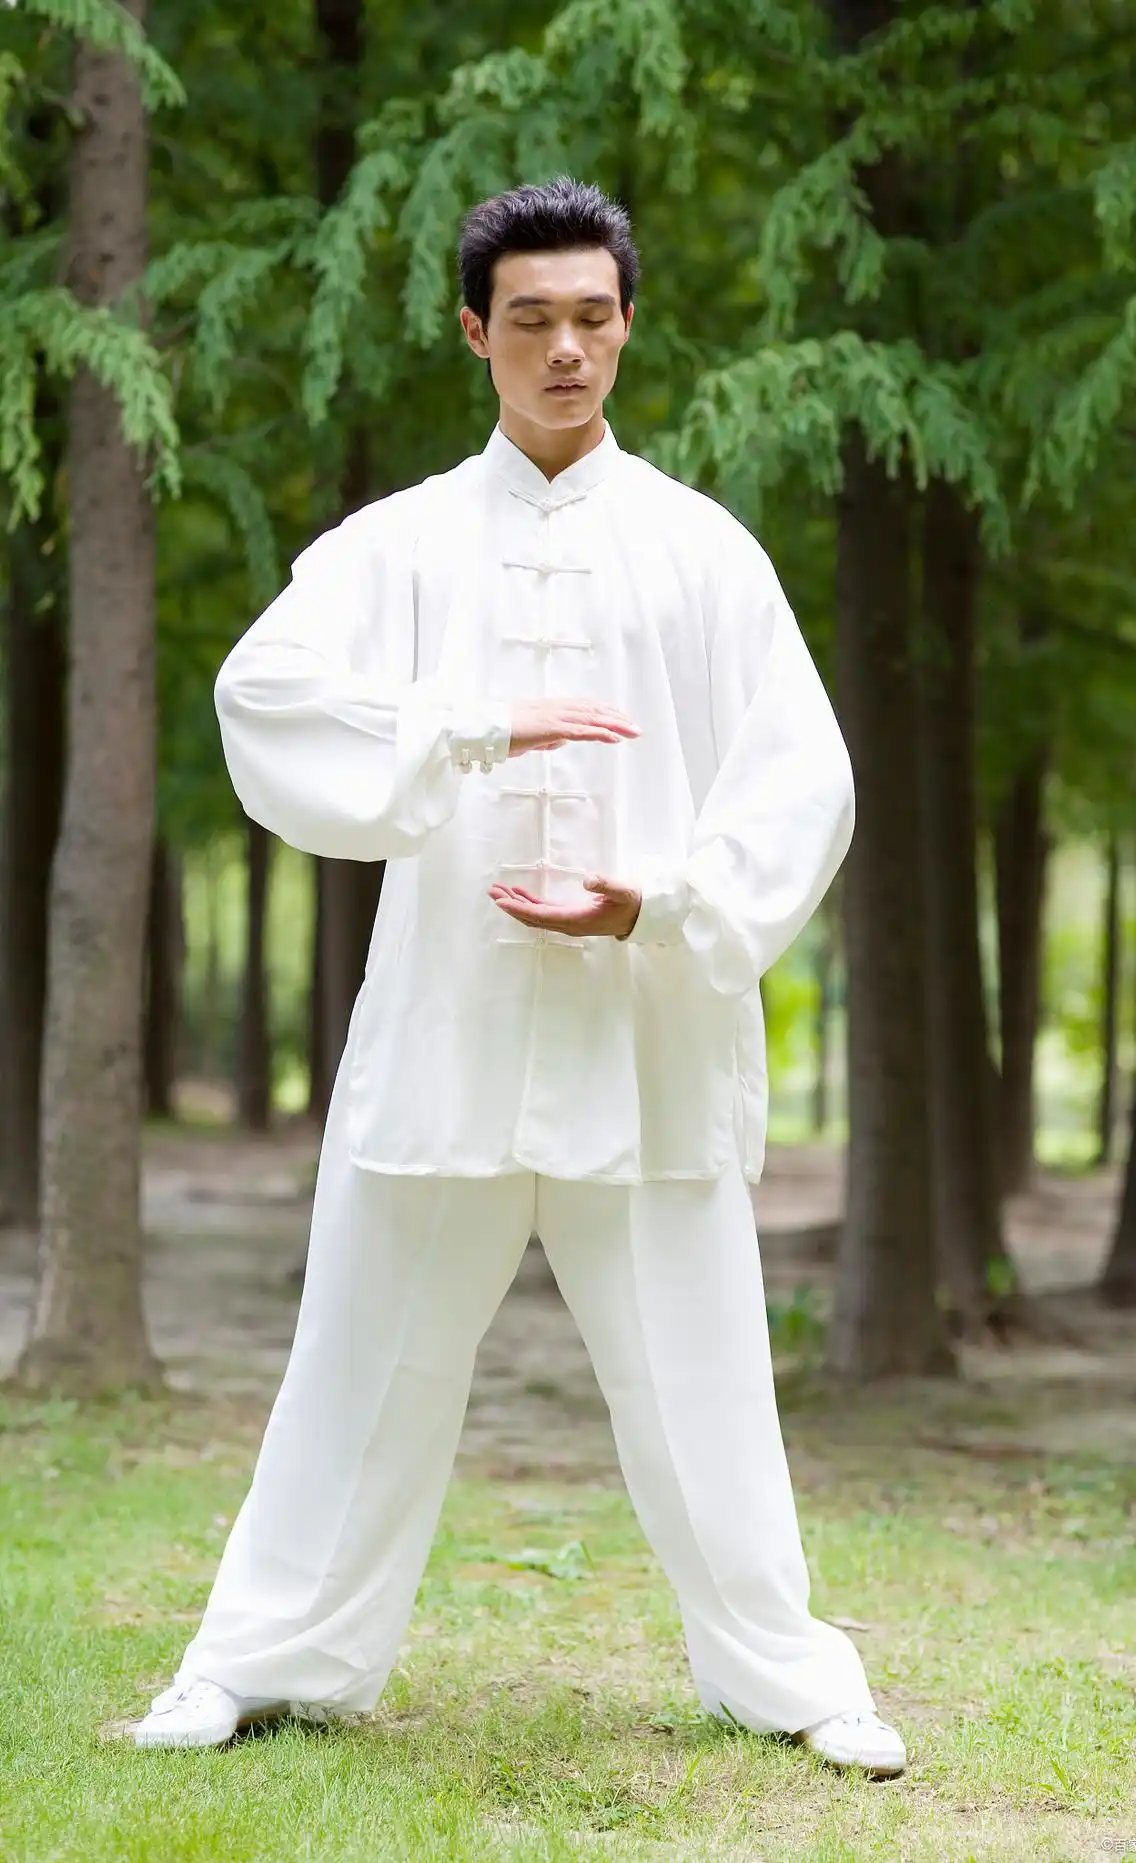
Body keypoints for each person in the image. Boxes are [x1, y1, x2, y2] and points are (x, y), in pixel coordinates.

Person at [131, 177, 906, 1779]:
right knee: (358, 1363)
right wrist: (459, 730)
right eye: (533, 319)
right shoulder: (398, 543)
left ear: (629, 323)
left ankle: (785, 1672)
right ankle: (261, 1657)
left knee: (700, 1380)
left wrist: (668, 902)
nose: (567, 350)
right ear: (475, 329)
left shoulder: (704, 551)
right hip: (449, 1023)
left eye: (595, 317)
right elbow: (261, 696)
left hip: (647, 1031)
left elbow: (800, 779)